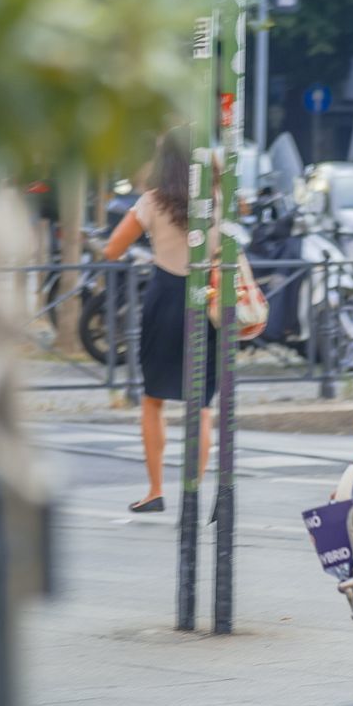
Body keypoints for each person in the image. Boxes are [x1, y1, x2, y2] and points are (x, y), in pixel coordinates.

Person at [104, 130, 216, 513]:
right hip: (208, 301)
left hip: (165, 299)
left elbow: (113, 249)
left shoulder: (152, 201)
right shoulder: (215, 201)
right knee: (200, 405)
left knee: (153, 400)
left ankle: (155, 490)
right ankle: (193, 491)